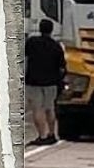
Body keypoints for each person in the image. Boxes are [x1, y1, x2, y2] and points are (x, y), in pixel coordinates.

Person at [24, 18, 66, 146]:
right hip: (51, 82)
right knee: (49, 108)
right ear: (52, 30)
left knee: (37, 109)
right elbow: (62, 66)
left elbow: (24, 57)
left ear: (40, 29)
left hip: (33, 81)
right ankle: (52, 134)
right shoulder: (56, 46)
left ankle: (42, 135)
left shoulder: (32, 42)